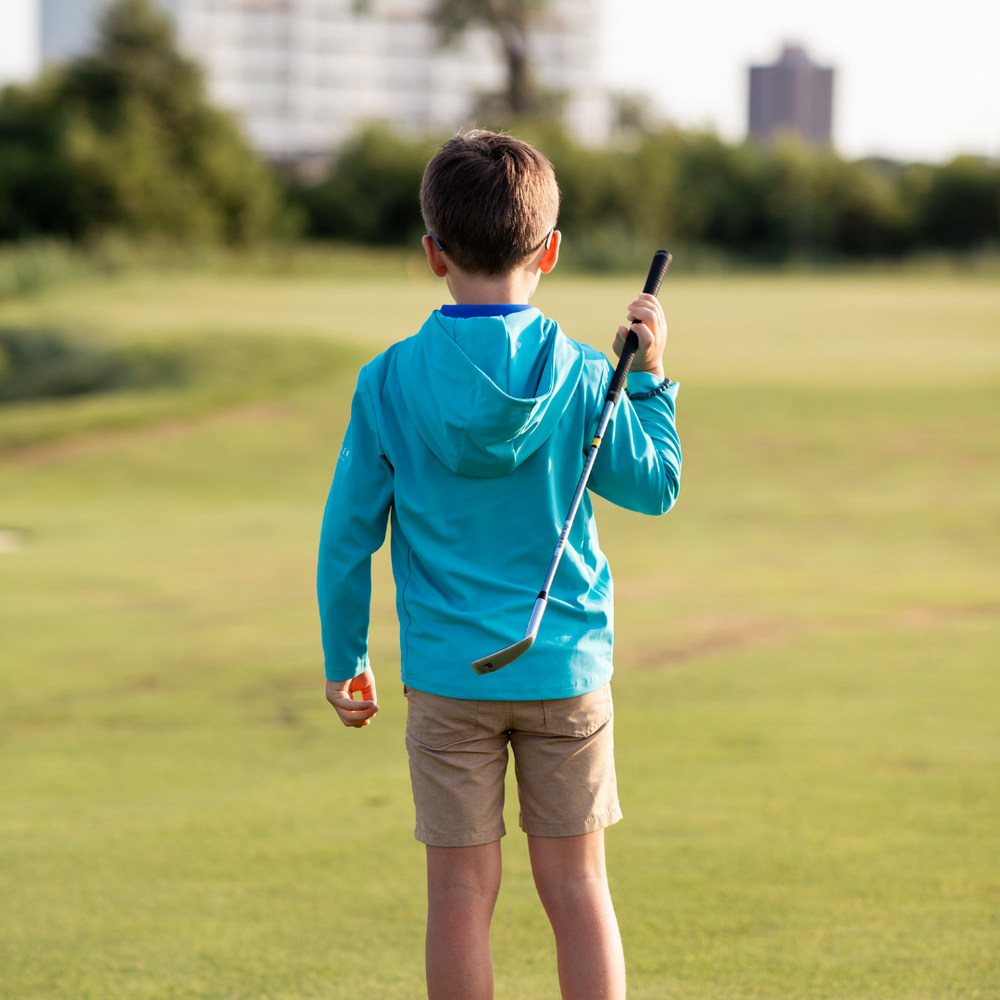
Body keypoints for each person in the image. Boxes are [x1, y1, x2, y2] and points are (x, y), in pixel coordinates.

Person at [317, 129, 681, 1000]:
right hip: (564, 670)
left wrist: (348, 665)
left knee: (457, 893)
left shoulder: (388, 379)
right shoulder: (588, 372)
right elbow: (655, 485)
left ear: (433, 254)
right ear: (549, 250)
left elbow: (346, 540)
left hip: (448, 679)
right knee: (579, 886)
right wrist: (650, 377)